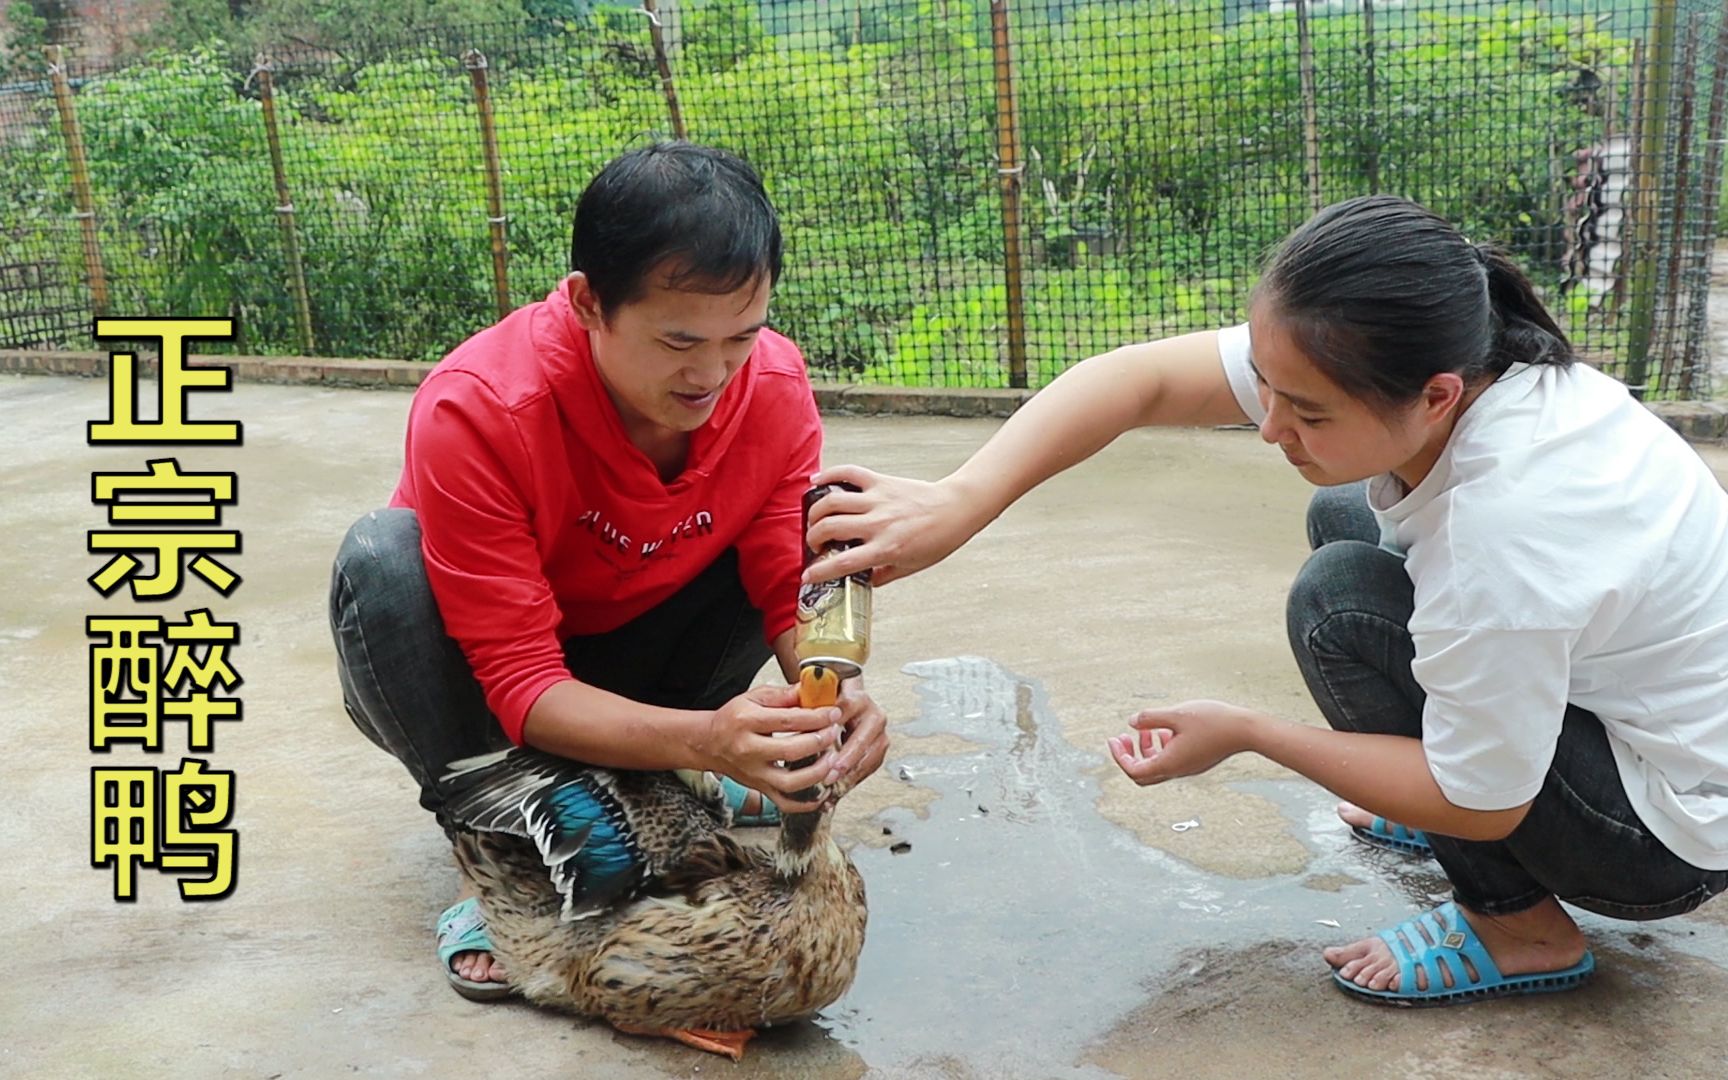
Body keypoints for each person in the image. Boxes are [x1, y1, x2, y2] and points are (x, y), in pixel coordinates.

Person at [803, 195, 1728, 1005]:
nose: (1270, 428)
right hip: (1622, 722)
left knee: (1341, 606)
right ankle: (1436, 773)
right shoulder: (1474, 364)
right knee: (1344, 509)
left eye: (1309, 412)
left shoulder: (1508, 528)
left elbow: (1482, 805)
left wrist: (1256, 735)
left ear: (1437, 395)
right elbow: (1141, 378)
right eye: (1271, 391)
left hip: (1660, 836)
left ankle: (1519, 929)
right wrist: (963, 498)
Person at [329, 141, 888, 1001]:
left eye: (742, 335)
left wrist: (828, 690)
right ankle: (506, 867)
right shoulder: (479, 407)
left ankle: (652, 776)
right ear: (590, 303)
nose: (711, 375)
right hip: (481, 683)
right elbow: (519, 679)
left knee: (824, 527)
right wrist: (709, 740)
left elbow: (785, 576)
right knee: (381, 561)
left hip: (645, 649)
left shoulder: (771, 384)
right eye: (677, 341)